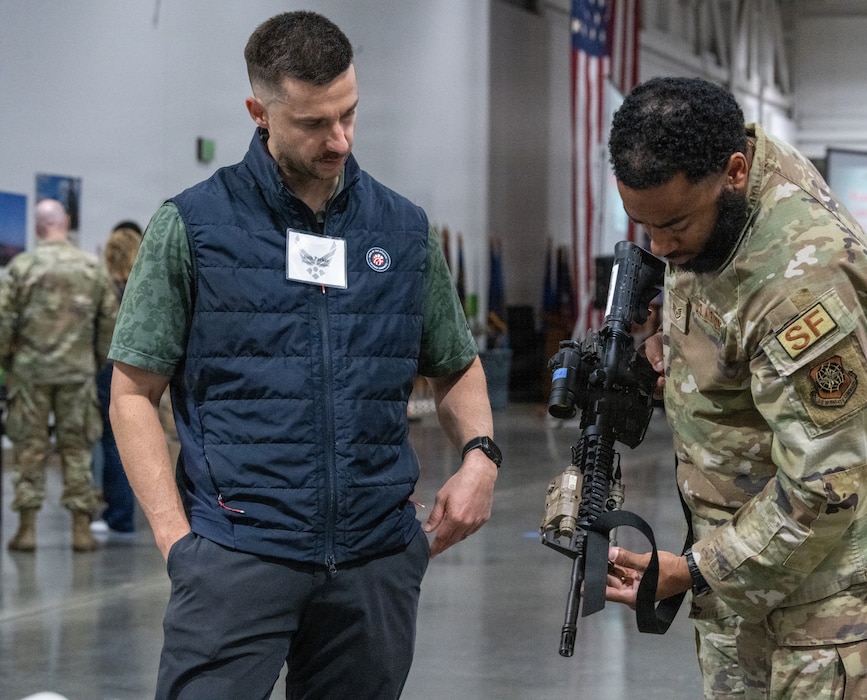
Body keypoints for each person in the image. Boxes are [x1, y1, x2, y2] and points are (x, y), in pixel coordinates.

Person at [107, 11, 499, 699]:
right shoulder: (193, 226)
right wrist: (179, 545)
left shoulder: (401, 229)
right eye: (315, 123)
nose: (340, 139)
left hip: (375, 565)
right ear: (259, 111)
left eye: (349, 113)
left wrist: (480, 456)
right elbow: (133, 392)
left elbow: (454, 362)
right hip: (236, 558)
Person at [602, 77, 867, 699]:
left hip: (829, 584)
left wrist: (696, 570)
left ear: (733, 172)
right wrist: (671, 349)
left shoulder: (804, 282)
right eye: (643, 225)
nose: (661, 248)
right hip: (747, 561)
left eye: (674, 224)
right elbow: (723, 310)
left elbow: (826, 488)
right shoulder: (727, 186)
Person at [0, 198, 118, 552]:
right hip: (77, 372)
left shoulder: (22, 267)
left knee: (29, 449)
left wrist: (9, 360)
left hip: (29, 373)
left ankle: (26, 530)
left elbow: (3, 320)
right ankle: (81, 530)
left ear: (38, 227)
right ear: (65, 223)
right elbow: (110, 321)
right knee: (78, 448)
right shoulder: (90, 268)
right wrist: (95, 360)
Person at [90, 222, 143, 535]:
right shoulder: (142, 290)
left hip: (107, 372)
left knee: (107, 443)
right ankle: (121, 512)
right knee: (124, 443)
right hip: (140, 374)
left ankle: (117, 514)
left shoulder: (107, 291)